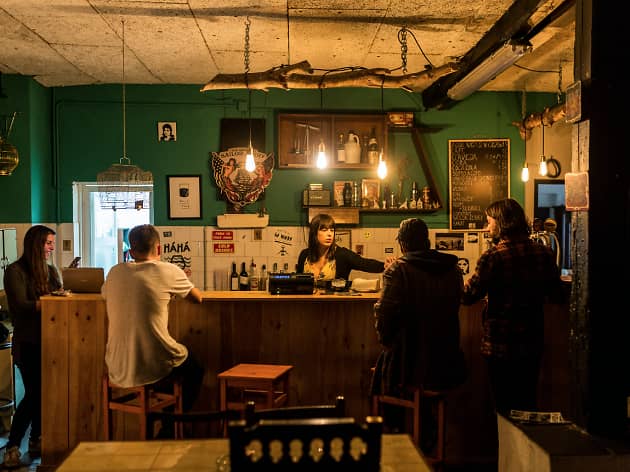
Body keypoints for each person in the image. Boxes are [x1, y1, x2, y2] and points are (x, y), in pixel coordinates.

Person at [370, 218, 466, 453]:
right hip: (446, 362)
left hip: (408, 363)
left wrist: (388, 343)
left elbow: (384, 317)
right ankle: (428, 444)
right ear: (427, 241)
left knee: (382, 379)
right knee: (421, 393)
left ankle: (396, 446)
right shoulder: (453, 269)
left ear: (403, 244)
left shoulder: (399, 270)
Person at [461, 198, 564, 416]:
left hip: (500, 344)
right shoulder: (544, 253)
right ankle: (527, 439)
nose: (486, 227)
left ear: (501, 222)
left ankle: (507, 439)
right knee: (528, 402)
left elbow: (468, 296)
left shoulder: (493, 256)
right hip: (532, 342)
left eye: (489, 221)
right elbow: (557, 294)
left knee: (503, 407)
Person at [101, 224, 203, 435]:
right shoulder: (169, 271)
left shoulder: (115, 272)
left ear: (130, 251)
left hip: (117, 365)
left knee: (167, 373)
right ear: (159, 248)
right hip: (153, 363)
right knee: (194, 369)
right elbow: (197, 298)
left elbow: (105, 294)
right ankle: (167, 430)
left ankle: (161, 424)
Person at [2, 225, 62, 468]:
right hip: (27, 342)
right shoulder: (14, 271)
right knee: (35, 393)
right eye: (48, 243)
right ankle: (13, 445)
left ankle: (36, 438)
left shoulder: (50, 271)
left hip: (50, 340)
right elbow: (21, 305)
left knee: (43, 392)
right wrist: (51, 301)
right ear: (35, 244)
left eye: (52, 243)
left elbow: (58, 295)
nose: (51, 248)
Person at [296, 213, 393, 286]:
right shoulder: (304, 255)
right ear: (314, 233)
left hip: (336, 304)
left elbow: (364, 263)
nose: (329, 234)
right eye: (324, 230)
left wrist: (385, 266)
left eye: (332, 230)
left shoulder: (342, 254)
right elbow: (297, 282)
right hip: (307, 304)